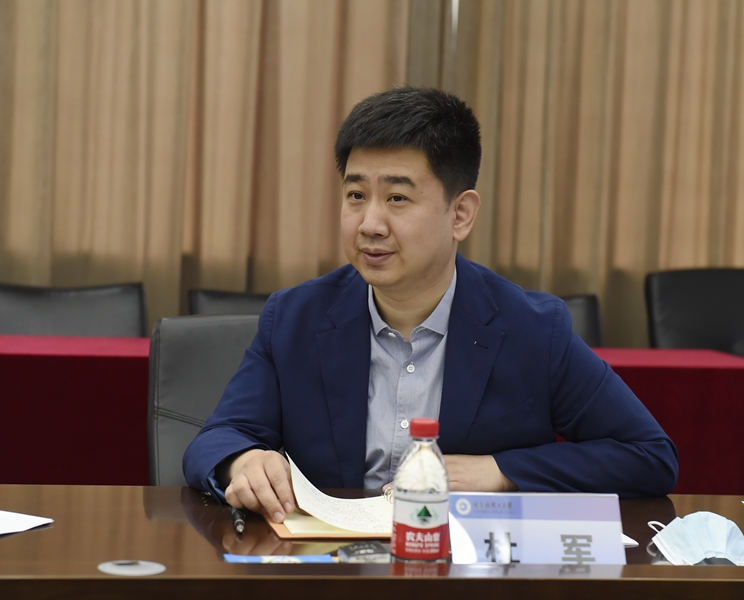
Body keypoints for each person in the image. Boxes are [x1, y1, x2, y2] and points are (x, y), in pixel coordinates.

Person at [183, 87, 678, 525]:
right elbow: (218, 437)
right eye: (355, 195)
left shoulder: (531, 329)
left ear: (460, 214)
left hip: (463, 574)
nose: (370, 224)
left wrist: (499, 471)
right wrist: (242, 461)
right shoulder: (296, 317)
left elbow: (648, 456)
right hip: (328, 570)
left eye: (397, 199)